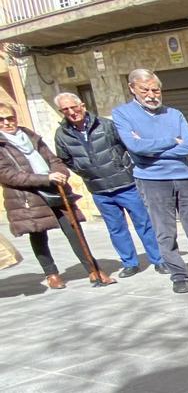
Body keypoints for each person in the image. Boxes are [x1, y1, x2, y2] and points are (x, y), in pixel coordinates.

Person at [112, 69, 188, 294]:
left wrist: (150, 148)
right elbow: (135, 148)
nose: (151, 95)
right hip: (152, 181)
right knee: (165, 232)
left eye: (155, 90)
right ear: (132, 88)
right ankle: (179, 275)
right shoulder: (123, 114)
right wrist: (172, 141)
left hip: (186, 178)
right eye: (145, 90)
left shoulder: (175, 114)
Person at [0, 102, 114, 288]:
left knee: (73, 229)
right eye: (1, 120)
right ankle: (51, 274)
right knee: (38, 235)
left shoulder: (30, 136)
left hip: (55, 190)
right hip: (27, 197)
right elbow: (8, 175)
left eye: (10, 118)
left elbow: (54, 159)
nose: (7, 123)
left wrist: (61, 172)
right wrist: (46, 178)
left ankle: (94, 270)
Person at [52, 93, 165, 278]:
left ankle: (159, 260)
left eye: (74, 107)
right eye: (66, 109)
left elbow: (127, 145)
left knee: (144, 223)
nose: (72, 112)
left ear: (82, 105)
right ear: (61, 112)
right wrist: (85, 171)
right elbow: (65, 159)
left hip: (126, 184)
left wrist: (125, 167)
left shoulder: (105, 125)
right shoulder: (62, 135)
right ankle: (130, 263)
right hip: (99, 190)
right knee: (116, 229)